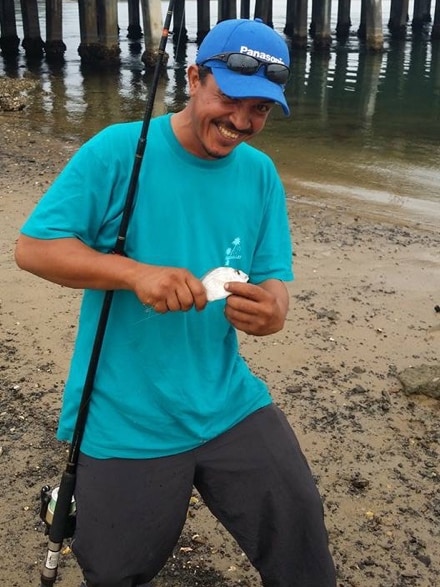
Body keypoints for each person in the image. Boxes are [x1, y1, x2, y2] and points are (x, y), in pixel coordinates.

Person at [15, 18, 336, 587]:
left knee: (301, 542)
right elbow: (34, 249)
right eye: (230, 99)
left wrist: (275, 310)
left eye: (260, 110)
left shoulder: (260, 175)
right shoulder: (118, 150)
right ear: (194, 77)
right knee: (117, 571)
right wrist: (135, 274)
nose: (242, 121)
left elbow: (272, 276)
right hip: (124, 414)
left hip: (228, 400)